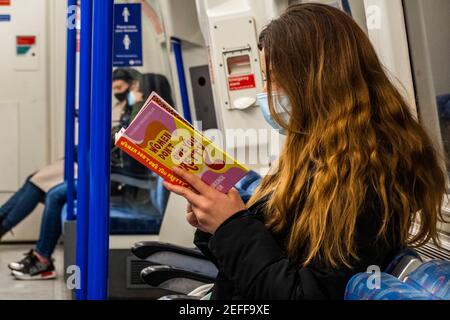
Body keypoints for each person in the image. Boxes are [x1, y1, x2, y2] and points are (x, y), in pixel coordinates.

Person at [163, 4, 447, 300]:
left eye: (272, 78)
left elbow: (303, 293)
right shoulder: (317, 156)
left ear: (312, 82)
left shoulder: (364, 179)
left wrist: (231, 227)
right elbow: (272, 259)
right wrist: (216, 227)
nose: (265, 91)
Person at [1, 68, 147, 280]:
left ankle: (40, 257)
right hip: (98, 167)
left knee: (50, 191)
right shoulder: (123, 109)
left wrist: (135, 106)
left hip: (112, 176)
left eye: (121, 88)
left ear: (135, 86)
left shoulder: (139, 111)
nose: (119, 93)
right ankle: (35, 252)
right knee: (35, 181)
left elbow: (117, 145)